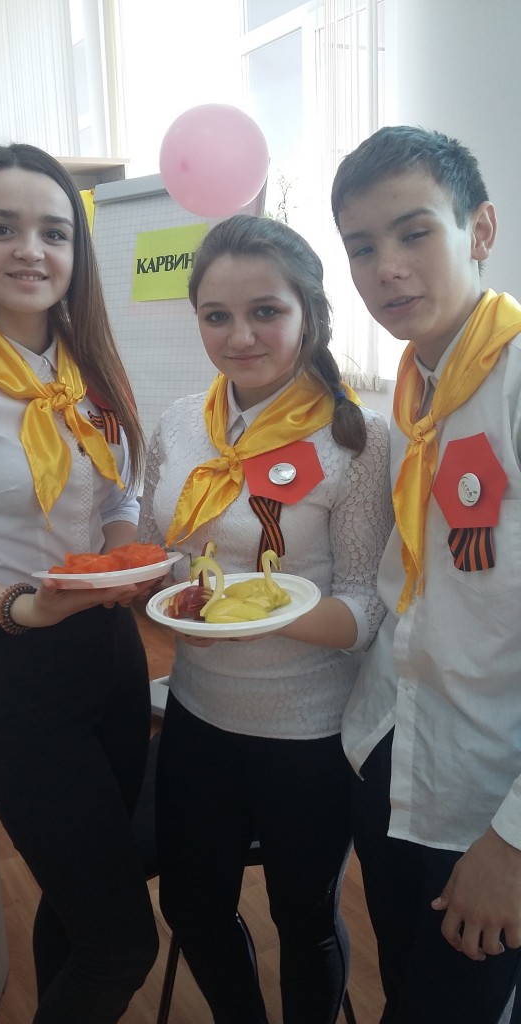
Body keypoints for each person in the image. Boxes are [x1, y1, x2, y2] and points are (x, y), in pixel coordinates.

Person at [137, 213, 393, 1024]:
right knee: (191, 904)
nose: (239, 336)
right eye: (217, 315)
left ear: (309, 313)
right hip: (197, 710)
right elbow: (157, 550)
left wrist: (252, 608)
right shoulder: (182, 424)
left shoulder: (359, 441)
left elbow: (365, 607)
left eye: (265, 312)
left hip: (309, 729)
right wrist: (134, 578)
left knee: (304, 917)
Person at [0, 143, 159, 1024]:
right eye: (2, 228)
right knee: (124, 942)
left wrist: (121, 557)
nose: (31, 250)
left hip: (110, 655)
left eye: (54, 232)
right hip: (12, 670)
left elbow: (119, 496)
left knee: (80, 909)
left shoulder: (87, 371)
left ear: (78, 251)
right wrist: (23, 607)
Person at [330, 124, 521, 1024]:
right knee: (404, 989)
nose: (387, 269)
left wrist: (513, 844)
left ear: (479, 230)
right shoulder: (414, 392)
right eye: (362, 248)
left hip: (486, 798)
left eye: (414, 233)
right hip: (393, 752)